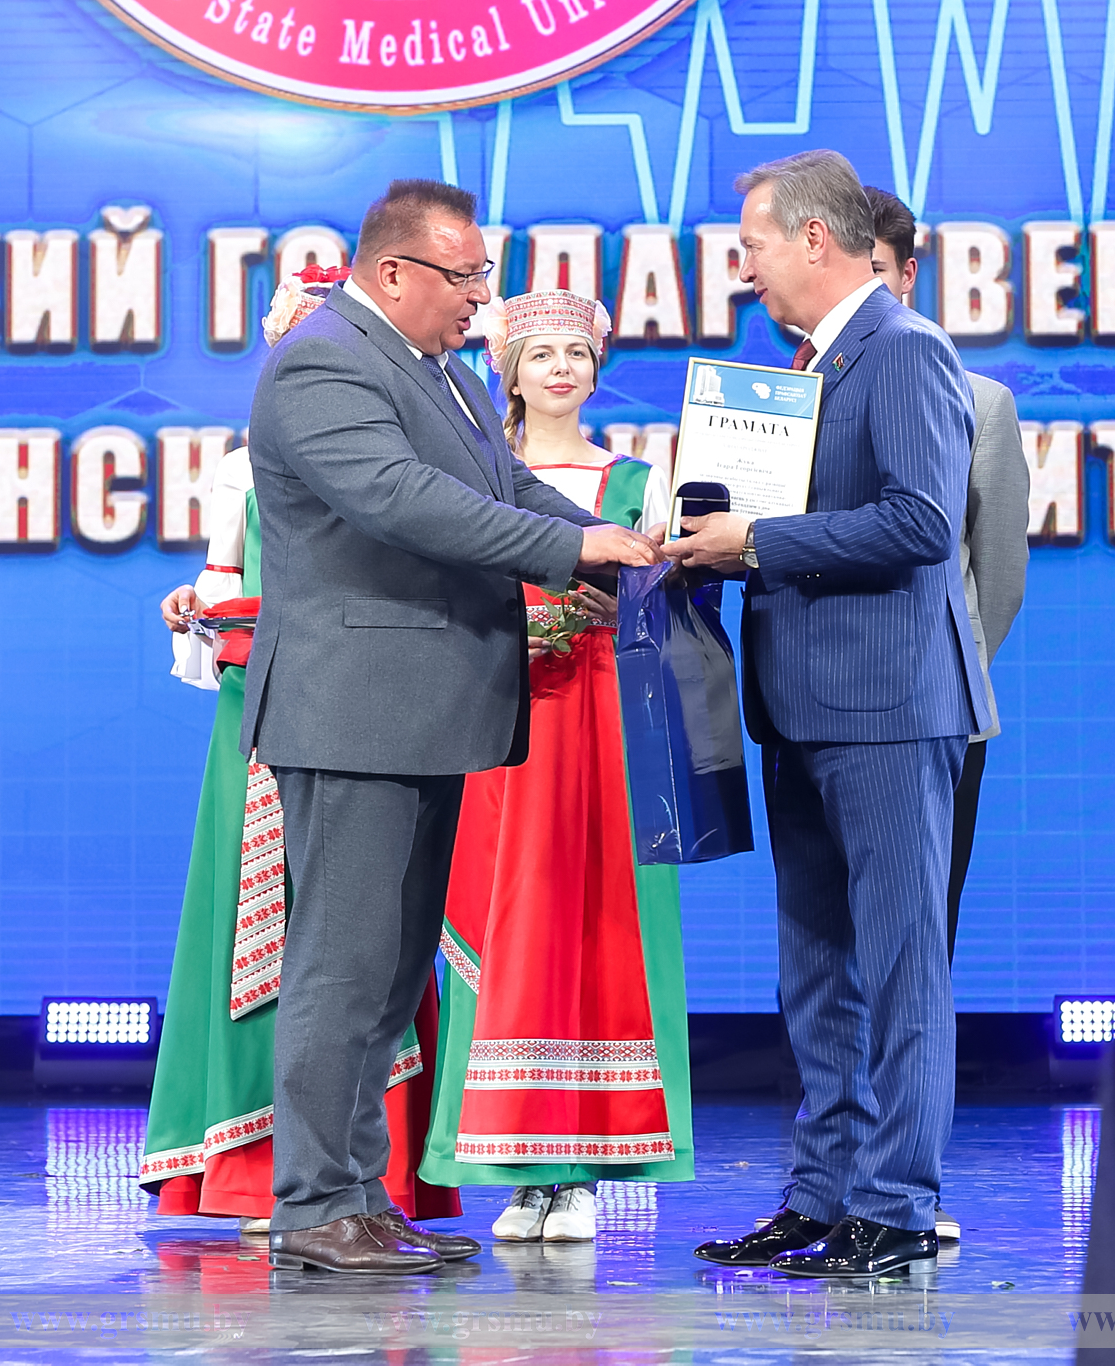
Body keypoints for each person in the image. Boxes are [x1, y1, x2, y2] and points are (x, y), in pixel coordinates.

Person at [243, 179, 660, 1275]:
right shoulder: (324, 361)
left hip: (422, 712)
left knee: (388, 973)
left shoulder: (441, 371)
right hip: (354, 711)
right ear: (393, 274)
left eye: (483, 275)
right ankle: (313, 1204)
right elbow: (397, 496)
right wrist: (574, 552)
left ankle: (358, 1195)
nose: (482, 298)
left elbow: (505, 482)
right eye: (464, 276)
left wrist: (617, 545)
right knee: (342, 965)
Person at [667, 150, 992, 1280]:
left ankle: (894, 1207)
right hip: (800, 708)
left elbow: (920, 522)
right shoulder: (810, 366)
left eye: (751, 246)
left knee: (899, 967)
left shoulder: (903, 349)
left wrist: (755, 541)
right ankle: (823, 1193)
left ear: (813, 238)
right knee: (813, 969)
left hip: (888, 710)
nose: (743, 268)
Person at [139, 269, 461, 1235]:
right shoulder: (241, 470)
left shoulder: (403, 444)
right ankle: (281, 1184)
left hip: (378, 701)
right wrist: (198, 609)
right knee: (287, 937)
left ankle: (368, 1184)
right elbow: (224, 586)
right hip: (267, 710)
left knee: (373, 941)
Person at [418, 290, 694, 1242]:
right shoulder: (474, 478)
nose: (561, 369)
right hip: (501, 718)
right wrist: (511, 627)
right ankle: (518, 1166)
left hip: (603, 722)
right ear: (510, 371)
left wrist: (620, 609)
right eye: (541, 355)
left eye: (577, 353)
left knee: (595, 922)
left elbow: (672, 605)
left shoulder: (637, 479)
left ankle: (580, 1173)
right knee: (505, 921)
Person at [865, 185, 1030, 1244]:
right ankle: (839, 1173)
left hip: (934, 717)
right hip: (815, 712)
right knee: (825, 958)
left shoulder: (979, 401)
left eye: (877, 273)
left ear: (905, 273)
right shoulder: (781, 399)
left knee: (919, 951)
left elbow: (996, 574)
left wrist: (942, 677)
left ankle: (911, 1180)